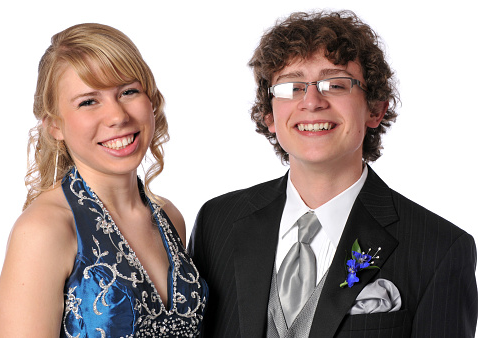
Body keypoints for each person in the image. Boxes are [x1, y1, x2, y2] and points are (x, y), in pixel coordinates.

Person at [189, 10, 477, 337]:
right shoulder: (217, 222)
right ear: (269, 115)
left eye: (336, 84)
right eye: (291, 87)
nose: (312, 102)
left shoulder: (440, 249)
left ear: (375, 108)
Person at [0, 23, 208, 337]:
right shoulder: (44, 230)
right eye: (88, 101)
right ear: (55, 125)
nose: (118, 116)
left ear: (150, 100)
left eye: (128, 91)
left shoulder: (169, 218)